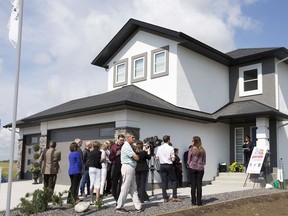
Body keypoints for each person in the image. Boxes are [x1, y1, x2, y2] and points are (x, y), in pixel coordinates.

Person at [115, 133, 143, 213]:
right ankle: (119, 207)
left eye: (134, 137)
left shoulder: (129, 146)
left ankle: (138, 206)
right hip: (128, 167)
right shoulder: (127, 146)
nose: (134, 139)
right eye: (132, 137)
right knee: (125, 187)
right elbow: (136, 157)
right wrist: (137, 155)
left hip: (131, 167)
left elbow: (136, 156)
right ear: (128, 138)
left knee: (133, 188)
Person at [155, 135, 182, 203]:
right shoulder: (170, 148)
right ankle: (174, 197)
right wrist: (171, 159)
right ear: (169, 140)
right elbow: (173, 158)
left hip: (162, 165)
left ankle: (165, 198)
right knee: (174, 181)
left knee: (164, 182)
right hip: (169, 165)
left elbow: (157, 158)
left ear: (163, 140)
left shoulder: (159, 148)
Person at [187, 136, 206, 206]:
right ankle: (199, 201)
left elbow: (189, 160)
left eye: (192, 140)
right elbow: (204, 161)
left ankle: (193, 201)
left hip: (192, 168)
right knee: (199, 185)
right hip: (200, 169)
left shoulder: (191, 150)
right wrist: (201, 165)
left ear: (194, 141)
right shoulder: (203, 150)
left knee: (193, 185)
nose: (191, 142)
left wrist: (190, 165)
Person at [109, 134, 125, 202]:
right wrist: (116, 154)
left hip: (123, 165)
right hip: (115, 165)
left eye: (123, 140)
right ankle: (115, 196)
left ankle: (118, 197)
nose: (122, 141)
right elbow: (110, 158)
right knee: (114, 182)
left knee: (122, 182)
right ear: (118, 139)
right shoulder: (113, 147)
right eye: (121, 140)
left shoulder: (125, 146)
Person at [88, 140, 103, 204]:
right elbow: (100, 161)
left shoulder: (90, 152)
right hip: (97, 168)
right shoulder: (99, 152)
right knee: (97, 184)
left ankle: (91, 200)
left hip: (91, 168)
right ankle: (97, 200)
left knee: (91, 183)